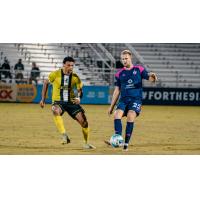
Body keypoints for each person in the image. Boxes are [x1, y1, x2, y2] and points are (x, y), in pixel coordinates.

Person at [106, 50, 158, 151]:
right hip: (123, 100)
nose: (124, 60)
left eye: (126, 58)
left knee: (130, 116)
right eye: (122, 59)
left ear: (130, 58)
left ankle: (126, 144)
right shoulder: (119, 74)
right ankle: (118, 139)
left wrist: (153, 77)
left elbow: (149, 78)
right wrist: (111, 107)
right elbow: (117, 91)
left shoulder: (139, 69)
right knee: (117, 115)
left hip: (135, 100)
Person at [39, 56, 95, 149]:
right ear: (63, 65)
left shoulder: (75, 77)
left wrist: (78, 98)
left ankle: (86, 143)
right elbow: (46, 83)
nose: (70, 68)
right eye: (68, 65)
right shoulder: (55, 74)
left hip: (71, 102)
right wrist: (43, 99)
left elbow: (79, 90)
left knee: (84, 123)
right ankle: (64, 135)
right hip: (58, 101)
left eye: (72, 66)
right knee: (55, 110)